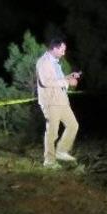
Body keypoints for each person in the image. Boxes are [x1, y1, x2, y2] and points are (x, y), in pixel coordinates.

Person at [36, 37, 81, 168]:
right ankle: (49, 161)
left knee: (73, 125)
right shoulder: (43, 62)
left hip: (61, 101)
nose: (64, 53)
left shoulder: (56, 63)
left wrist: (69, 76)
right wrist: (67, 82)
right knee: (52, 131)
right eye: (62, 49)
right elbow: (46, 82)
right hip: (50, 101)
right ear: (55, 48)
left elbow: (58, 79)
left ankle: (61, 151)